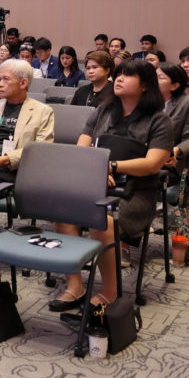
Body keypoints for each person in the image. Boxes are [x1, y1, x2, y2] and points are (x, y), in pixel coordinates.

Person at [51, 59, 173, 313]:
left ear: (144, 86)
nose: (119, 79)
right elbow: (82, 147)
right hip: (96, 185)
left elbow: (153, 164)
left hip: (136, 193)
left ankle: (110, 290)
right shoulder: (103, 111)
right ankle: (75, 286)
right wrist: (95, 170)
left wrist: (111, 167)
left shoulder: (159, 120)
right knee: (62, 213)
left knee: (103, 221)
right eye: (118, 74)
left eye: (127, 75)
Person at [0, 59, 55, 179]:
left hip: (17, 171)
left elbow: (40, 149)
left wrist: (6, 159)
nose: (0, 84)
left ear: (23, 83)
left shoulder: (43, 112)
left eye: (6, 79)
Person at [156, 63, 189, 172]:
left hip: (170, 162)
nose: (153, 81)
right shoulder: (144, 100)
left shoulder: (186, 103)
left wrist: (175, 151)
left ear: (174, 86)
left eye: (160, 77)